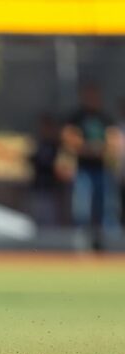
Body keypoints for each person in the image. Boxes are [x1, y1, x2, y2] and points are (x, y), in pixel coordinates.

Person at [59, 84, 122, 247]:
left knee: (107, 207)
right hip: (83, 170)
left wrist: (97, 148)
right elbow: (69, 139)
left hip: (102, 169)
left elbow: (112, 143)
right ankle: (82, 243)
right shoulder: (77, 117)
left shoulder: (104, 118)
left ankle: (109, 242)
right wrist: (88, 148)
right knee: (82, 208)